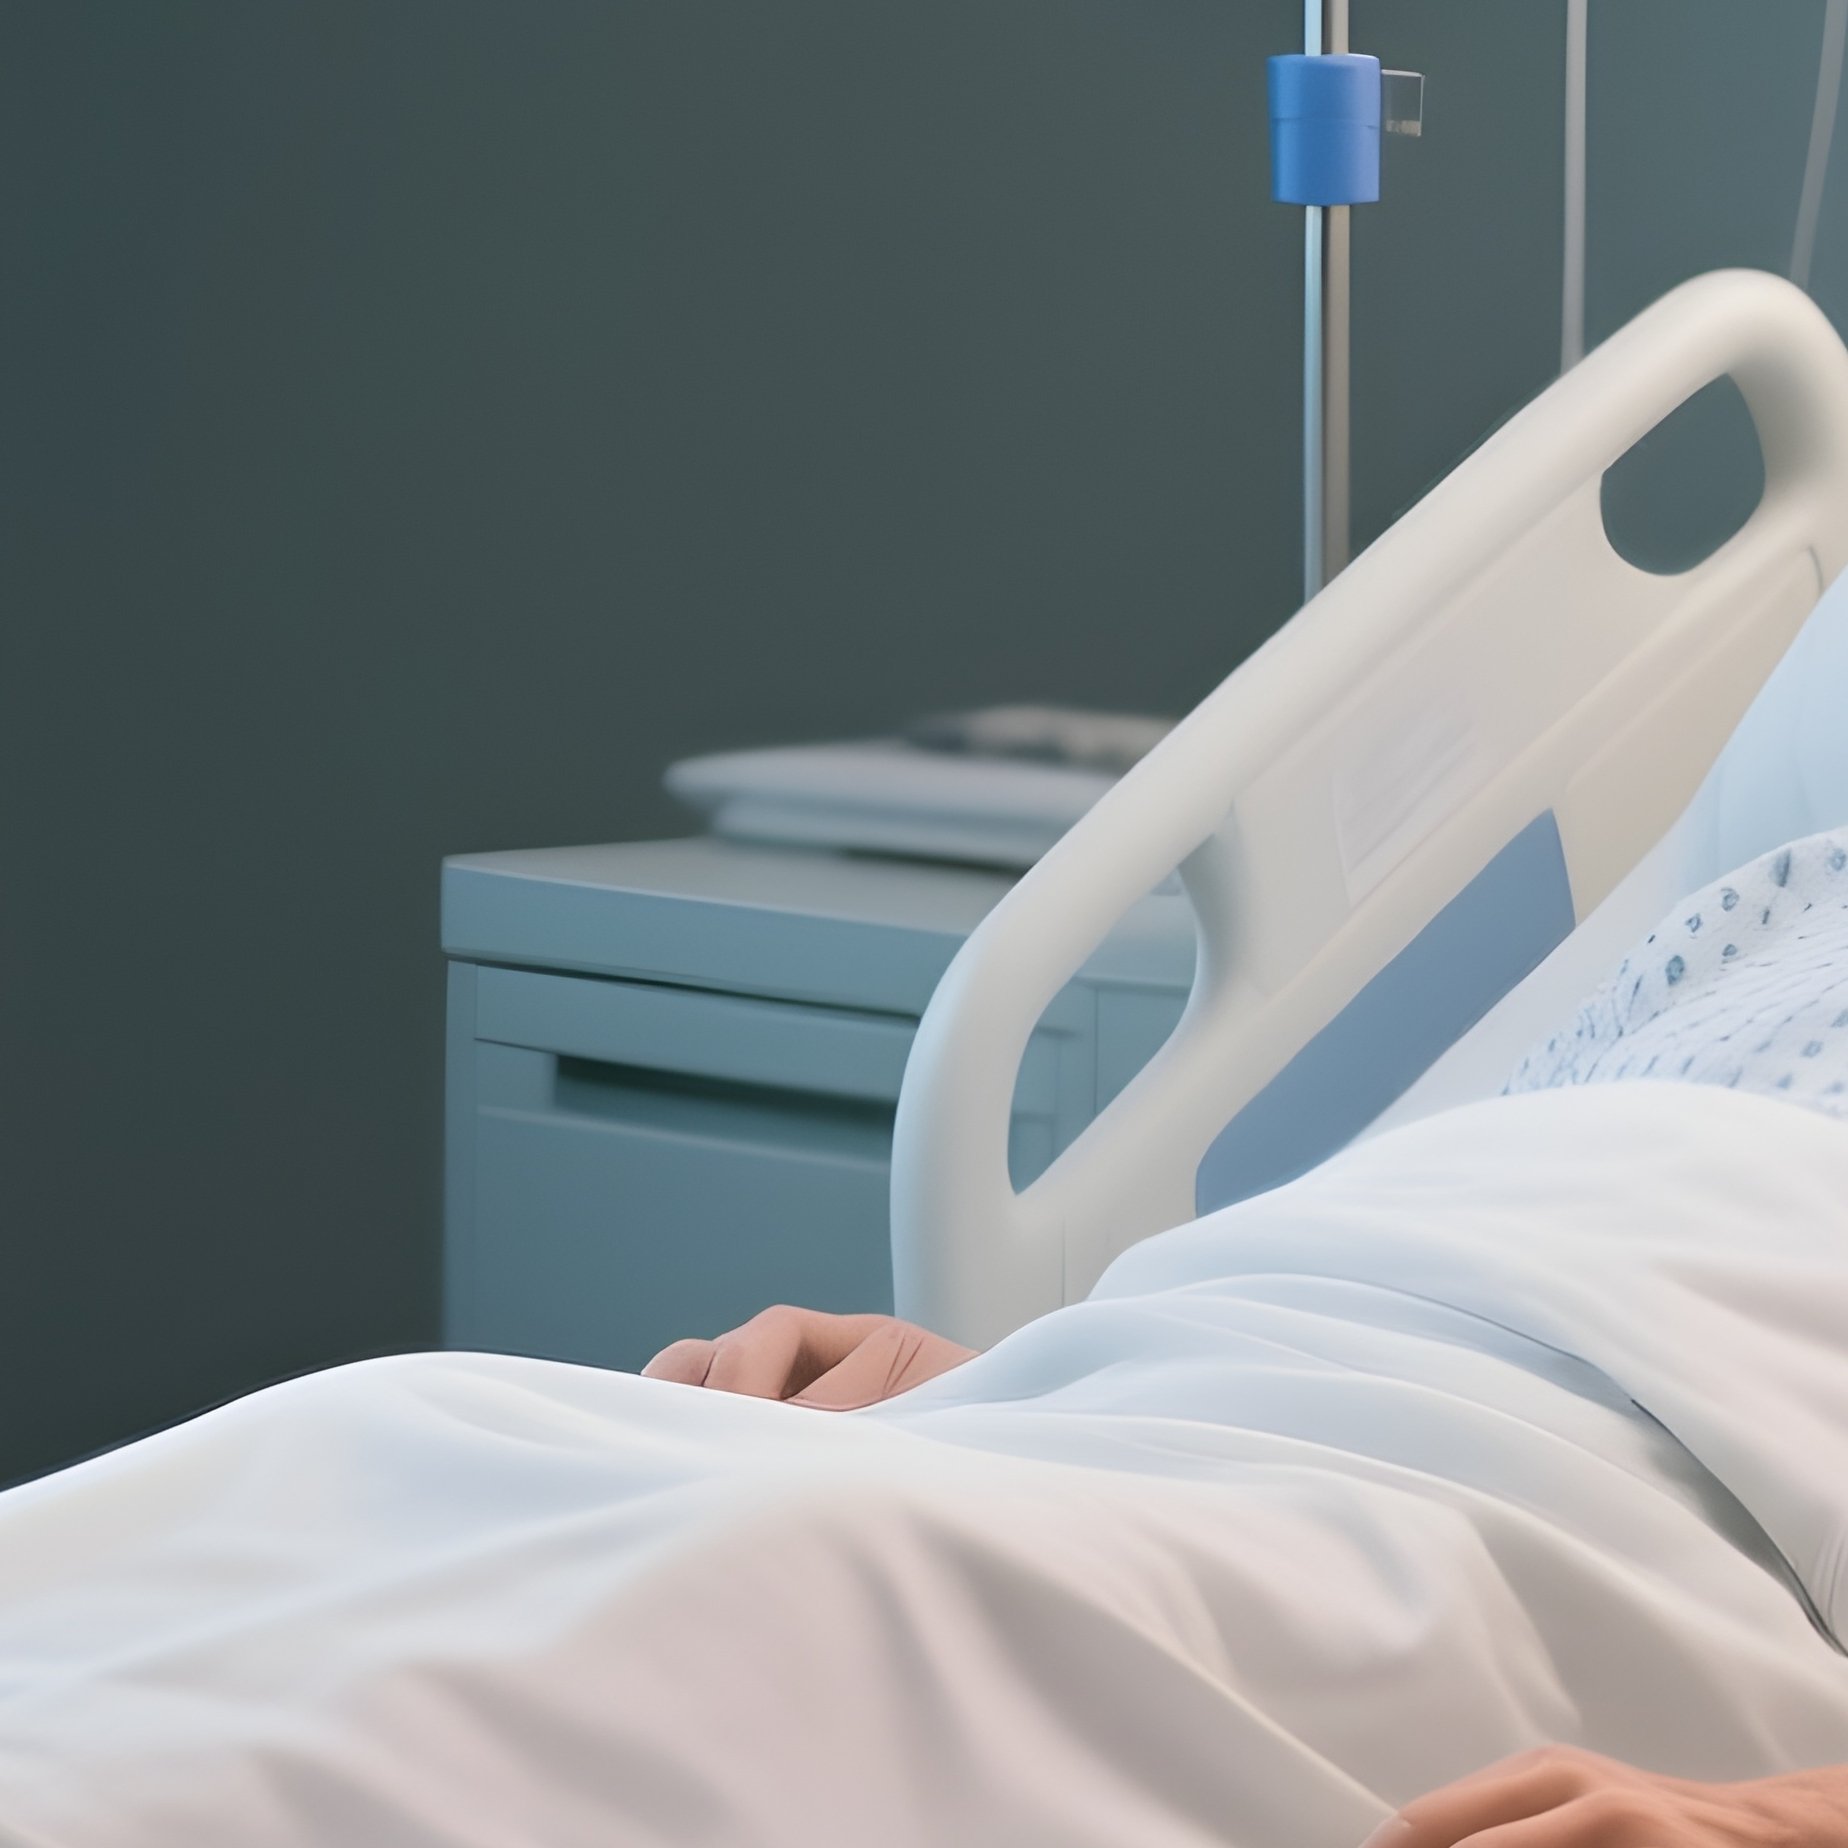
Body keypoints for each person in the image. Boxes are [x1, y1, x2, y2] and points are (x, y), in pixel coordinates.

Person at [643, 827, 1848, 1839]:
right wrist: (1074, 1382)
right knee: (558, 1486)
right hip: (1225, 1399)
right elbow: (1515, 1271)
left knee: (777, 1631)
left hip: (1560, 1526)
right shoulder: (1778, 900)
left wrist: (1792, 1816)